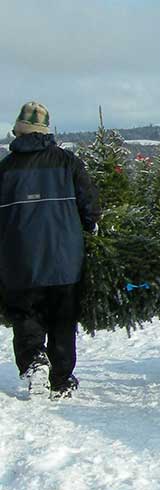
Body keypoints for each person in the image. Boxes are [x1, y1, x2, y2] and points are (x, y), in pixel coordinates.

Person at [0, 101, 100, 398]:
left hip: (18, 260)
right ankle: (60, 380)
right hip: (64, 258)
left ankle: (34, 362)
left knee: (25, 314)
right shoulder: (67, 162)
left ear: (18, 130)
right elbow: (89, 202)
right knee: (62, 319)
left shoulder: (4, 169)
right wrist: (90, 226)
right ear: (46, 130)